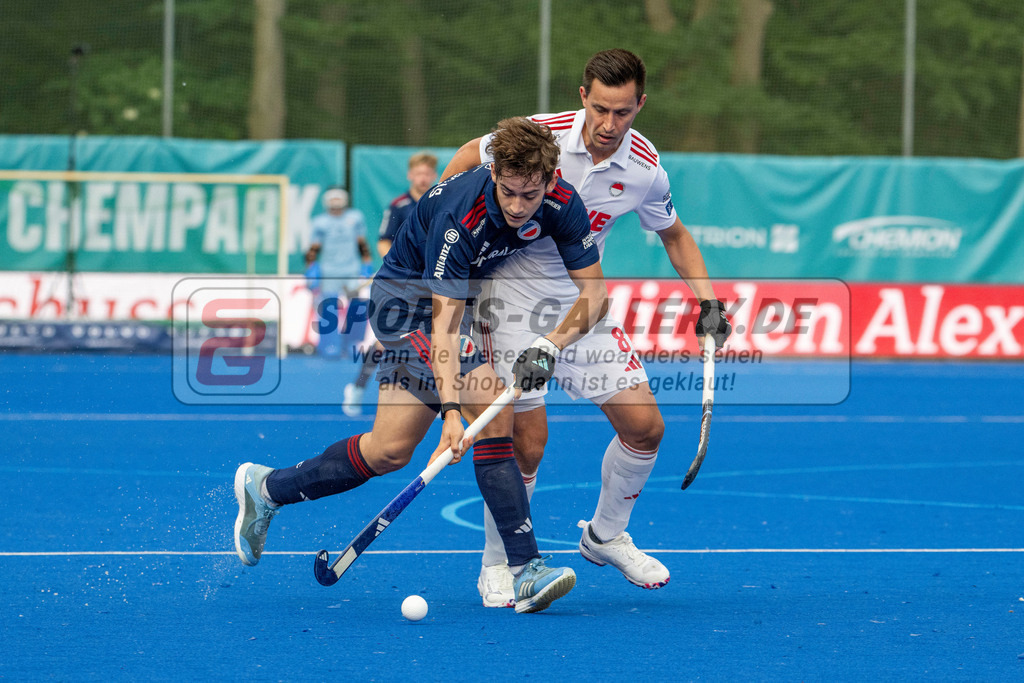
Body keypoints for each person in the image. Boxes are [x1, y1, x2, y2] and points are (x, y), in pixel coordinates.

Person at [234, 117, 609, 614]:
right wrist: (453, 412)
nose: (519, 207)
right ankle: (526, 569)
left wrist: (552, 343)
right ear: (494, 172)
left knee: (388, 451)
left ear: (550, 180)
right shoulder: (461, 218)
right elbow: (444, 329)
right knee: (493, 408)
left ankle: (267, 488)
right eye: (509, 192)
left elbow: (595, 293)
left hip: (457, 306)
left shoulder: (562, 202)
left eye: (531, 195)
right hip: (405, 304)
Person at [442, 49, 732, 608]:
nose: (608, 124)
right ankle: (500, 565)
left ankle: (604, 535)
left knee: (646, 427)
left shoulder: (645, 167)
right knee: (525, 444)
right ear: (582, 97)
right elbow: (461, 163)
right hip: (507, 299)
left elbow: (674, 235)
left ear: (639, 105)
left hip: (583, 300)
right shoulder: (538, 138)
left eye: (622, 112)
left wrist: (709, 301)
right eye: (600, 108)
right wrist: (443, 241)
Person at [343, 152, 439, 415]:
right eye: (418, 173)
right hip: (402, 283)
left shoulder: (441, 202)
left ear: (434, 176)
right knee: (385, 340)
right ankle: (359, 387)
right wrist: (403, 267)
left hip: (433, 281)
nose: (423, 178)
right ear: (410, 175)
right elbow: (383, 241)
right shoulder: (398, 206)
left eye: (427, 174)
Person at [308, 187, 373, 358]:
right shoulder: (320, 222)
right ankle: (329, 346)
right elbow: (314, 248)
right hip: (329, 271)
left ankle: (352, 343)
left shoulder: (355, 218)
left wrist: (367, 264)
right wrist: (311, 268)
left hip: (351, 269)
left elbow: (362, 242)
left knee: (357, 306)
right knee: (328, 307)